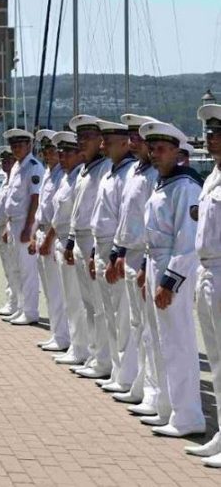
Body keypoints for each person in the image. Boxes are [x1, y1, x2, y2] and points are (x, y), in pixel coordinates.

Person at [137, 120, 205, 437]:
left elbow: (187, 241)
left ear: (178, 153)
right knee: (158, 338)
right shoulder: (163, 183)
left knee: (178, 342)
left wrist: (169, 282)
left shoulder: (186, 187)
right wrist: (145, 268)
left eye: (162, 149)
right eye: (152, 148)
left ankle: (188, 415)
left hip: (172, 267)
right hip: (156, 261)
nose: (155, 154)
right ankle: (166, 406)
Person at [111, 114, 160, 409]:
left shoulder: (154, 175)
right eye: (131, 137)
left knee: (148, 329)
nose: (134, 143)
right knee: (135, 323)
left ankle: (151, 392)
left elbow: (151, 224)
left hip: (146, 255)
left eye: (139, 138)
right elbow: (125, 217)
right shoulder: (134, 172)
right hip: (129, 253)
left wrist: (143, 265)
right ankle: (138, 384)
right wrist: (118, 252)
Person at [89, 119, 138, 394]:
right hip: (102, 244)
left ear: (124, 143)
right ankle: (117, 371)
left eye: (109, 141)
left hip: (116, 247)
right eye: (103, 140)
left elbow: (125, 218)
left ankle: (127, 376)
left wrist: (117, 254)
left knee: (122, 316)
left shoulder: (129, 172)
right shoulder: (111, 171)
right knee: (109, 312)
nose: (104, 145)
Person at [63, 115, 112, 380]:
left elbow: (100, 213)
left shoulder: (104, 169)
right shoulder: (84, 170)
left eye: (88, 137)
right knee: (88, 304)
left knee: (100, 306)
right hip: (80, 240)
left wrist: (93, 249)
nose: (82, 142)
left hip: (94, 241)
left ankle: (103, 360)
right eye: (80, 137)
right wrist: (71, 239)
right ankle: (93, 355)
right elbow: (78, 209)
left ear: (100, 141)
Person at [188, 103, 221, 465]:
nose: (211, 138)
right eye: (209, 133)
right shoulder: (212, 176)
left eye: (218, 133)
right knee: (216, 360)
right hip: (207, 271)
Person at [48, 132, 90, 367]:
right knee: (69, 298)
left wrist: (69, 244)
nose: (61, 157)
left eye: (67, 153)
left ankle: (81, 348)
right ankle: (75, 345)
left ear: (79, 155)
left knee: (77, 300)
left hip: (72, 243)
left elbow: (76, 216)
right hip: (62, 242)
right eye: (60, 153)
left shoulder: (78, 179)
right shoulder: (67, 178)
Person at [30, 130, 68, 350]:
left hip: (54, 236)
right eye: (45, 150)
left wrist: (48, 239)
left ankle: (63, 337)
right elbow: (41, 209)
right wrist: (34, 235)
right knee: (50, 290)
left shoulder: (63, 175)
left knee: (58, 291)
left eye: (52, 150)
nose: (48, 154)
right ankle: (56, 333)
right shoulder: (47, 173)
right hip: (43, 233)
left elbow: (59, 214)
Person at [1, 128, 43, 326]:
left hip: (25, 223)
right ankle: (20, 308)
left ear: (29, 145)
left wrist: (29, 228)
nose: (16, 149)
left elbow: (35, 199)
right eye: (13, 146)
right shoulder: (17, 166)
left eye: (19, 145)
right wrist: (7, 226)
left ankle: (30, 311)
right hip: (13, 223)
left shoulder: (34, 167)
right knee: (15, 269)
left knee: (27, 271)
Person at [0, 146, 19, 317]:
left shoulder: (16, 180)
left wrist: (8, 226)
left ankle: (14, 304)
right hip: (1, 228)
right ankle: (11, 301)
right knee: (7, 269)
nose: (5, 163)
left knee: (13, 268)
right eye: (3, 160)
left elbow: (14, 207)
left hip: (9, 228)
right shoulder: (6, 180)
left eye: (9, 160)